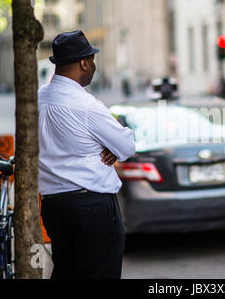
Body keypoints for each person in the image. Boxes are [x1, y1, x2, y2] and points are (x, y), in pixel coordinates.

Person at [38, 30, 136, 279]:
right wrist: (112, 148)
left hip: (53, 206)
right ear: (84, 63)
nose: (93, 65)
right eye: (92, 60)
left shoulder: (36, 99)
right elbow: (127, 146)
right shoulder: (87, 105)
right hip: (92, 207)